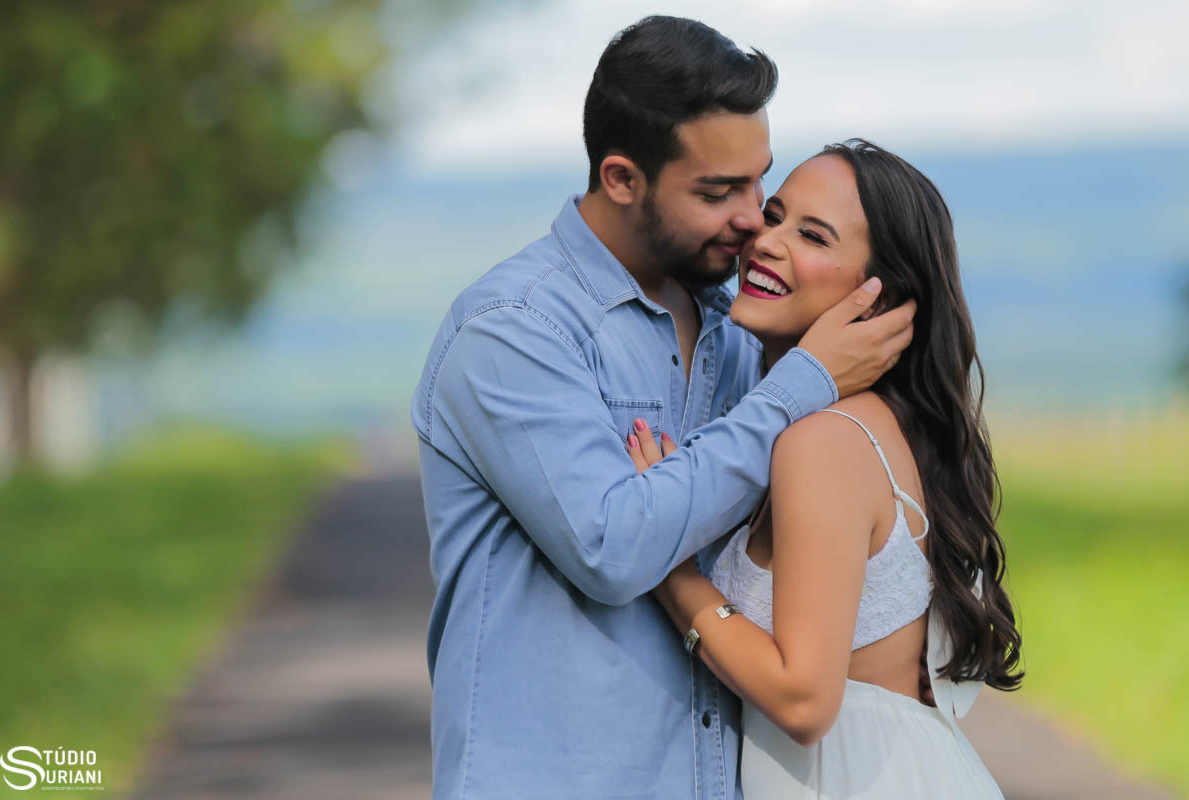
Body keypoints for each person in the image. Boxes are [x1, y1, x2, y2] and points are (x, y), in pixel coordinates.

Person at [410, 17, 915, 799]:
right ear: (621, 178)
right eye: (719, 192)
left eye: (760, 183)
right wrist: (803, 384)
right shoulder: (513, 330)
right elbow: (613, 546)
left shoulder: (740, 327)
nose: (753, 218)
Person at [628, 140, 1023, 799]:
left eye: (812, 235)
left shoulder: (822, 442)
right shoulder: (864, 427)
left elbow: (804, 701)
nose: (768, 242)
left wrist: (670, 567)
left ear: (880, 293)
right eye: (775, 215)